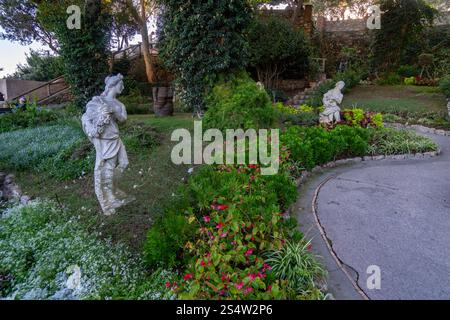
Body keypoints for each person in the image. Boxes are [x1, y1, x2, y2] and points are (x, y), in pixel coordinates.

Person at [81, 74, 133, 215]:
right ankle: (109, 197)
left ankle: (112, 188)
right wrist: (102, 115)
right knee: (108, 169)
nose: (122, 87)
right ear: (112, 85)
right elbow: (88, 117)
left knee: (123, 164)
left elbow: (123, 120)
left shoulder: (120, 105)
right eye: (120, 85)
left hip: (116, 138)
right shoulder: (98, 101)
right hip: (105, 140)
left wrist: (113, 111)